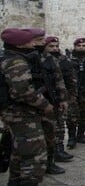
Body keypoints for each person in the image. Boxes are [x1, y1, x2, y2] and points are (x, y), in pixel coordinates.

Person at [1, 28, 58, 186]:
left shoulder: (10, 58)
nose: (33, 43)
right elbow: (22, 91)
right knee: (35, 153)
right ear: (19, 44)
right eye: (29, 41)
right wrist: (44, 105)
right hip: (22, 114)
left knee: (19, 152)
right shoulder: (16, 61)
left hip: (15, 113)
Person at [24, 29, 67, 175]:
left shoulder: (50, 58)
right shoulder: (23, 58)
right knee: (31, 140)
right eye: (40, 40)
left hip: (49, 102)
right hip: (29, 104)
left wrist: (62, 98)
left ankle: (50, 162)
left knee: (50, 133)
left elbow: (58, 79)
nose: (44, 42)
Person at [44, 36, 76, 162]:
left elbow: (70, 77)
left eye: (56, 46)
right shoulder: (41, 59)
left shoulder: (63, 59)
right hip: (47, 98)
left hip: (61, 96)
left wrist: (70, 95)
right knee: (50, 127)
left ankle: (59, 149)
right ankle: (50, 154)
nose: (55, 48)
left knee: (61, 124)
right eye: (51, 46)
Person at [67, 37, 85, 148]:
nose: (81, 48)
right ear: (75, 47)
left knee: (84, 114)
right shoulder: (68, 59)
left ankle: (81, 135)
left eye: (83, 46)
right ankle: (71, 137)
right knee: (72, 115)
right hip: (72, 93)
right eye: (79, 46)